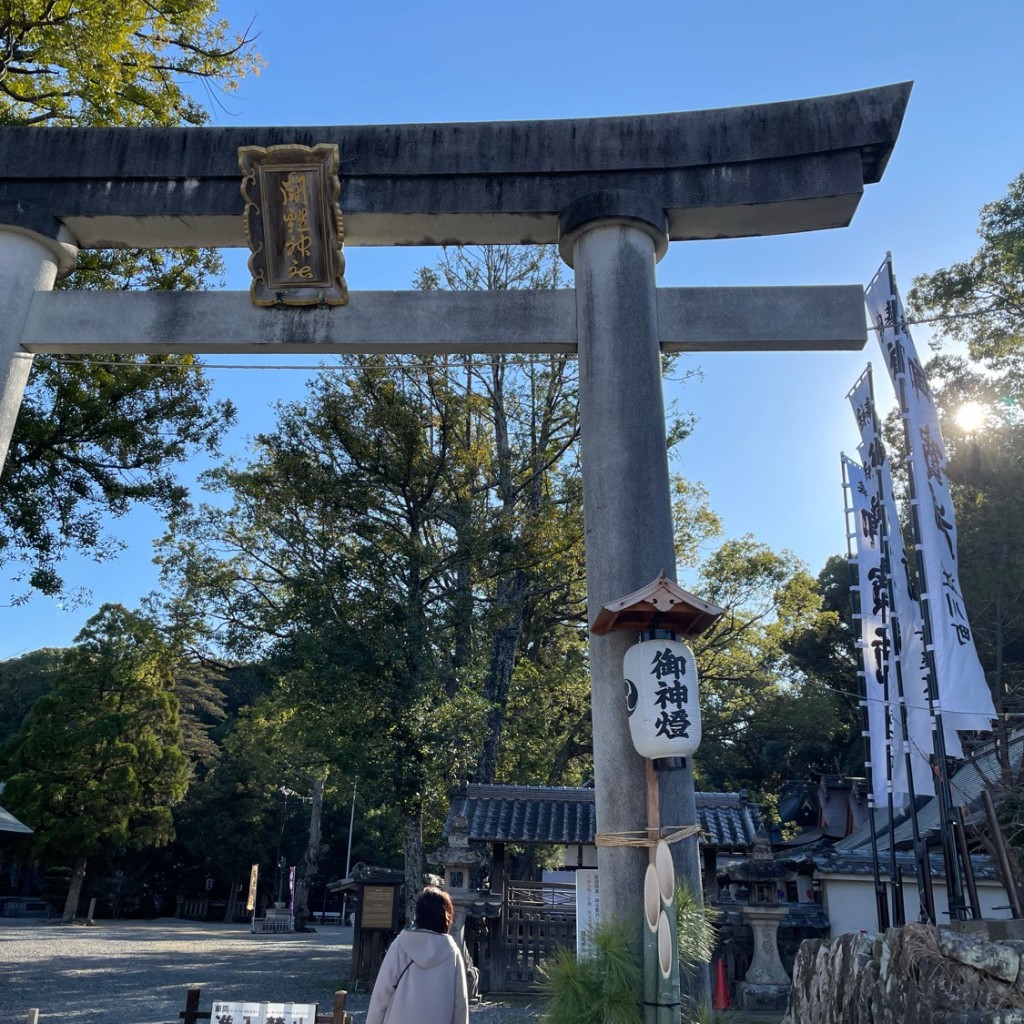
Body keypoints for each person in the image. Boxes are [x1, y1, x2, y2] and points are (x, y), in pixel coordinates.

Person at [366, 886, 469, 1024]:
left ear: (418, 914)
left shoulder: (400, 945)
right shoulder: (452, 951)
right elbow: (460, 1003)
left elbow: (382, 993)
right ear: (446, 916)